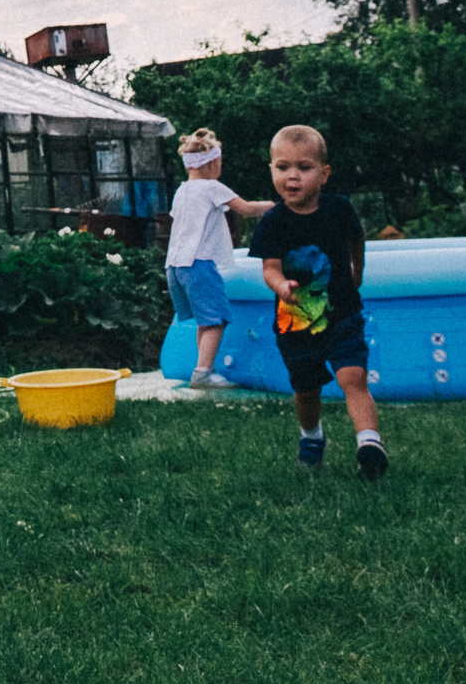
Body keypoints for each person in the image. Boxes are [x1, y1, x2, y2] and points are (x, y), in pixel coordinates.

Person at [248, 124, 388, 480]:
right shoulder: (273, 222)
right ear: (272, 171)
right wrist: (281, 286)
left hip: (342, 312)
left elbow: (357, 237)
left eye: (304, 167)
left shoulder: (338, 210)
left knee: (353, 376)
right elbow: (269, 267)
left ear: (324, 174)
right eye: (283, 167)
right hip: (297, 321)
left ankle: (369, 444)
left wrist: (358, 271)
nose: (292, 176)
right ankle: (312, 436)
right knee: (307, 391)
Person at [165, 128, 273, 388]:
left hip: (174, 267)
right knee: (216, 320)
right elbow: (246, 209)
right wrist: (274, 205)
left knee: (205, 320)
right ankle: (203, 373)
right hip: (198, 264)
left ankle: (201, 369)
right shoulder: (212, 187)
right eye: (220, 163)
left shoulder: (182, 191)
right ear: (212, 162)